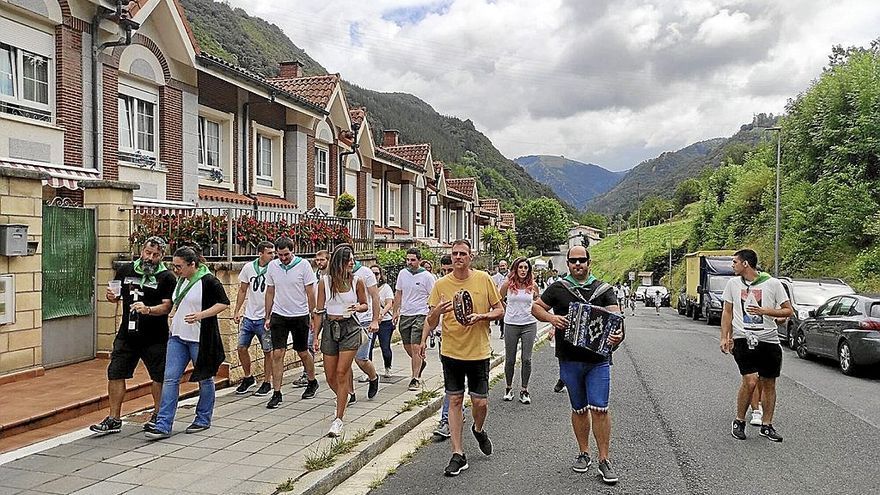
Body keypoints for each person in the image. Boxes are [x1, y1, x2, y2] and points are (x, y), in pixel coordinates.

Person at [531, 246, 623, 485]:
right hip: (569, 359)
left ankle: (604, 459)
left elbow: (617, 319)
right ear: (568, 263)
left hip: (598, 361)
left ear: (589, 262)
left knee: (600, 409)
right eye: (573, 261)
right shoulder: (559, 288)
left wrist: (618, 336)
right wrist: (552, 318)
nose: (578, 264)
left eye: (582, 260)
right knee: (579, 409)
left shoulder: (603, 290)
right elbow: (536, 307)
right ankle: (584, 453)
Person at [422, 239, 504, 477]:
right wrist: (437, 311)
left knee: (480, 403)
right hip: (451, 352)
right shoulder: (440, 285)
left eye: (463, 254)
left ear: (471, 257)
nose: (458, 257)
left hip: (478, 351)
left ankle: (478, 429)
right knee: (455, 401)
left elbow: (500, 310)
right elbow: (430, 321)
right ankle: (458, 453)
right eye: (455, 254)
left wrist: (481, 316)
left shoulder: (484, 279)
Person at [91, 237, 175, 435]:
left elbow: (167, 306)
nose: (150, 258)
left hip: (155, 335)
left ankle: (158, 415)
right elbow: (114, 295)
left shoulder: (166, 277)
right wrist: (111, 297)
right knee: (116, 372)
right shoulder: (126, 270)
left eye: (155, 255)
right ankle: (113, 418)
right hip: (127, 332)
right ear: (141, 251)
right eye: (147, 253)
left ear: (161, 256)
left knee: (158, 376)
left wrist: (148, 309)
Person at [145, 246, 229, 439]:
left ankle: (203, 418)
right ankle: (164, 424)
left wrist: (201, 315)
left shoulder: (208, 281)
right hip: (178, 336)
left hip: (199, 338)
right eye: (174, 266)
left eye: (180, 266)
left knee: (204, 378)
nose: (176, 270)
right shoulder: (181, 280)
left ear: (193, 264)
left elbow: (223, 303)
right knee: (170, 378)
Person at [720, 249, 792, 443]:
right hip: (743, 337)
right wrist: (725, 336)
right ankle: (739, 420)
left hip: (768, 339)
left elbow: (788, 310)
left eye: (735, 262)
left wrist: (764, 311)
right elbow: (727, 312)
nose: (732, 265)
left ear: (746, 264)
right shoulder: (733, 284)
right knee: (750, 380)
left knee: (769, 383)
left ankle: (767, 425)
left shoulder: (773, 283)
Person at [312, 244, 369, 437]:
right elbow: (319, 311)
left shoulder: (357, 281)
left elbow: (365, 305)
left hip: (350, 327)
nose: (352, 263)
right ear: (340, 262)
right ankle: (344, 397)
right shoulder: (325, 283)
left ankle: (338, 418)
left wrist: (358, 307)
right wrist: (315, 336)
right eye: (349, 260)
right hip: (330, 327)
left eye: (353, 259)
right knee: (329, 376)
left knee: (341, 372)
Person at [264, 237, 318, 409]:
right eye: (279, 255)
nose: (283, 258)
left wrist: (312, 315)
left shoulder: (303, 265)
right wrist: (267, 315)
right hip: (279, 314)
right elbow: (270, 291)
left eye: (286, 254)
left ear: (292, 251)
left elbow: (310, 292)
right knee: (277, 353)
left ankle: (312, 380)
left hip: (300, 314)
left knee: (302, 352)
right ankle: (277, 392)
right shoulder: (273, 266)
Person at [232, 241, 275, 397]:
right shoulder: (249, 268)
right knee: (241, 347)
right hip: (250, 316)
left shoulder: (275, 268)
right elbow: (243, 290)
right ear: (260, 253)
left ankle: (267, 381)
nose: (273, 255)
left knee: (267, 350)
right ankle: (248, 377)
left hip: (266, 317)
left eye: (273, 252)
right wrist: (237, 310)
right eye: (269, 253)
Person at [393, 248, 436, 391]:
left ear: (419, 260)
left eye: (412, 260)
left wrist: (431, 315)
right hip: (406, 313)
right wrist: (395, 311)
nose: (409, 262)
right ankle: (420, 362)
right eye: (407, 259)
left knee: (416, 346)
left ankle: (415, 378)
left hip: (421, 313)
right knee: (407, 346)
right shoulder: (402, 274)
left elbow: (433, 296)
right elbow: (398, 293)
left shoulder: (427, 277)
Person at [499, 257, 539, 404]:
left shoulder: (533, 285)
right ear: (515, 269)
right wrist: (506, 310)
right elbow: (498, 299)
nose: (523, 270)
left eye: (526, 268)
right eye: (520, 267)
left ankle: (524, 390)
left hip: (529, 323)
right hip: (511, 324)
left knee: (526, 359)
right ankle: (509, 388)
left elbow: (537, 301)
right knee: (510, 359)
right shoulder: (507, 285)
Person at [293, 249, 329, 388]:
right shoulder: (314, 275)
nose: (319, 262)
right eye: (317, 260)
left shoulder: (331, 275)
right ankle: (307, 374)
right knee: (308, 343)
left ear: (328, 260)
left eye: (322, 260)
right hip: (317, 312)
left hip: (329, 312)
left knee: (329, 344)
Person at [351, 254, 381, 403]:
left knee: (361, 358)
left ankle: (373, 377)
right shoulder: (335, 272)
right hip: (345, 322)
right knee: (343, 362)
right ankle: (349, 393)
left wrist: (375, 320)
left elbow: (375, 297)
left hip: (363, 321)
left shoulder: (365, 273)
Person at [369, 265, 396, 378]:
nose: (375, 276)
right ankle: (369, 371)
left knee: (385, 347)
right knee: (368, 347)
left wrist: (381, 314)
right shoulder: (367, 287)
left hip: (384, 321)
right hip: (370, 321)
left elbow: (389, 303)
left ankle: (387, 367)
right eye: (372, 274)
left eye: (376, 273)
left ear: (380, 275)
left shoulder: (386, 288)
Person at [491, 260, 508, 338]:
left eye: (503, 265)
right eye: (501, 266)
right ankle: (503, 332)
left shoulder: (511, 276)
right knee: (502, 315)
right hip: (500, 298)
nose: (502, 267)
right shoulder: (495, 277)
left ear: (506, 266)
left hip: (510, 298)